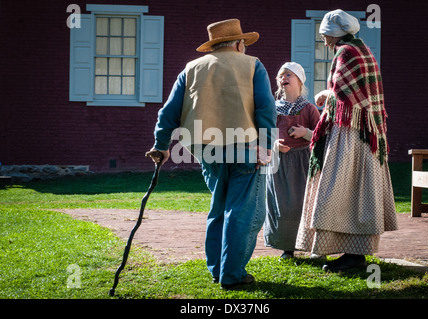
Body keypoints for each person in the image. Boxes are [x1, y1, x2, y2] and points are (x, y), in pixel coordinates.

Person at [146, 19, 276, 289]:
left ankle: (217, 269)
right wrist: (266, 145)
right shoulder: (253, 65)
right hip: (246, 149)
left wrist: (161, 145)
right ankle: (233, 274)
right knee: (241, 212)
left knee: (219, 210)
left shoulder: (191, 69)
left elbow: (167, 114)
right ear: (240, 44)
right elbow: (265, 110)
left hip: (208, 150)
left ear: (214, 45)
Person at [295, 9, 398, 272]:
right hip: (368, 132)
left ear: (334, 34)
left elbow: (342, 94)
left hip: (351, 132)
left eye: (324, 35)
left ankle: (353, 256)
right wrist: (331, 95)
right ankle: (354, 253)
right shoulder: (362, 49)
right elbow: (355, 92)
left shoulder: (346, 52)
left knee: (339, 186)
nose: (323, 41)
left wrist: (325, 95)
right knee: (359, 190)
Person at [264, 62, 320, 259]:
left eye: (289, 74)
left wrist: (305, 133)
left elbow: (322, 136)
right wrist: (274, 145)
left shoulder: (309, 109)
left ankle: (313, 245)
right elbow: (263, 133)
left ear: (299, 80)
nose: (283, 77)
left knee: (303, 203)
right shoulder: (272, 108)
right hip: (278, 162)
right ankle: (287, 247)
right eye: (281, 75)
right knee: (281, 203)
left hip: (302, 162)